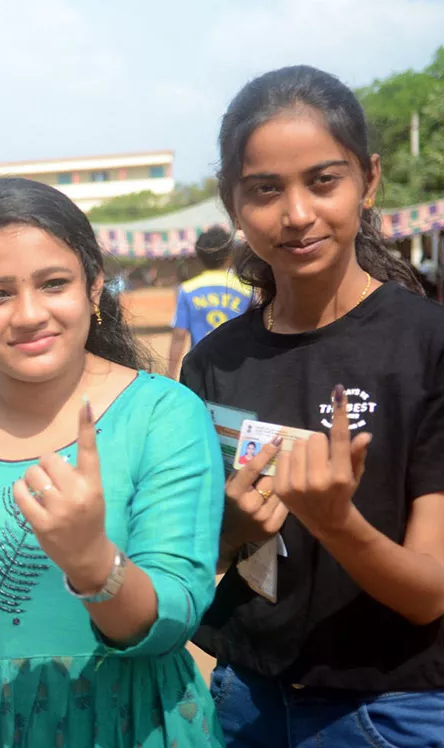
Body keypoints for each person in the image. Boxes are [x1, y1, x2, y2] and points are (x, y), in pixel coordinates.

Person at [181, 66, 444, 746]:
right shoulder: (212, 365)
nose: (297, 215)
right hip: (245, 704)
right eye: (265, 190)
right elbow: (191, 560)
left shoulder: (429, 347)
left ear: (369, 179)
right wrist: (230, 530)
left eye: (324, 181)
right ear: (230, 200)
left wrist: (335, 522)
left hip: (390, 710)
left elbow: (430, 593)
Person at [0, 178, 225, 746]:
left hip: (132, 722)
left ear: (94, 288)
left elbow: (175, 614)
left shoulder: (164, 415)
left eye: (54, 284)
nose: (29, 314)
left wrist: (93, 563)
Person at [166, 226, 251, 379]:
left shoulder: (187, 289)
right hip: (239, 367)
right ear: (230, 255)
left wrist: (171, 375)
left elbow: (179, 335)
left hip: (201, 367)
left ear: (198, 256)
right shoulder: (247, 289)